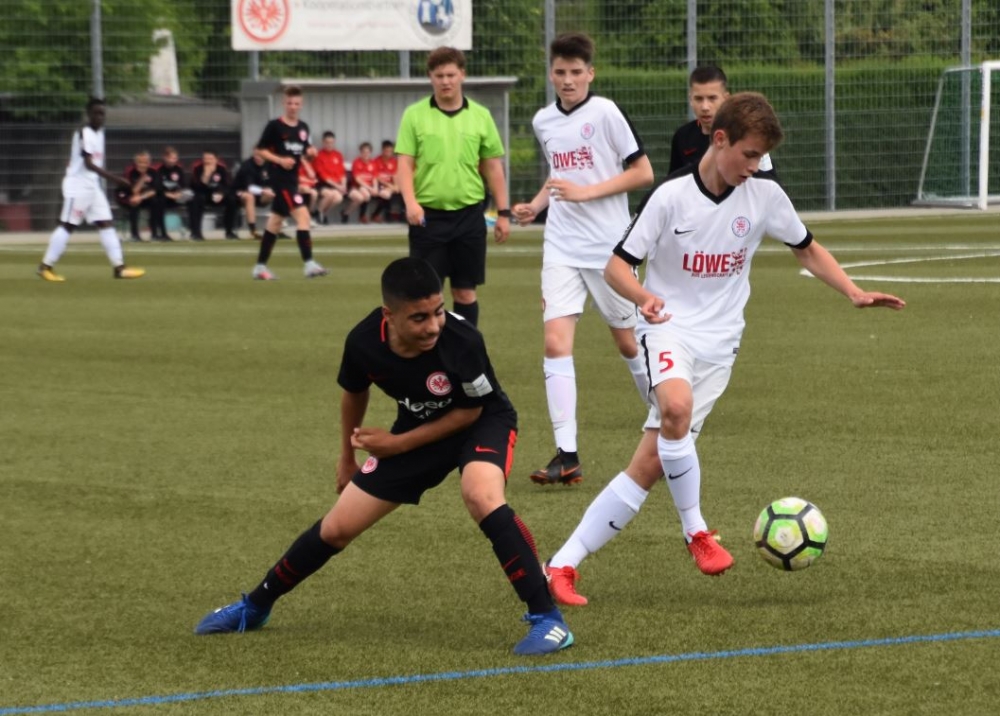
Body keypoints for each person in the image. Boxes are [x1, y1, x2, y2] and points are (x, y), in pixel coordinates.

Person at [543, 92, 906, 606]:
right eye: (749, 154)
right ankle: (696, 531)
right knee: (675, 407)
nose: (755, 166)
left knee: (647, 466)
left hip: (720, 345)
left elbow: (806, 249)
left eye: (762, 157)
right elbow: (616, 267)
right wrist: (644, 298)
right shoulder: (670, 197)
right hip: (668, 328)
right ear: (720, 140)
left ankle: (560, 565)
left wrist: (853, 291)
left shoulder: (765, 196)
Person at [193, 257, 574, 656]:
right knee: (337, 528)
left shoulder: (463, 339)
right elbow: (354, 393)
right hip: (417, 427)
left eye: (438, 311)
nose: (433, 326)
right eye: (419, 317)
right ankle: (255, 606)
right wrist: (346, 457)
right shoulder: (363, 342)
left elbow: (470, 411)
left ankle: (548, 619)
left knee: (481, 495)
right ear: (389, 315)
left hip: (481, 421)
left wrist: (397, 445)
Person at [512, 33, 655, 487]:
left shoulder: (606, 113)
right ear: (551, 74)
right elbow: (560, 174)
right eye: (560, 72)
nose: (568, 80)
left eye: (576, 72)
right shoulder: (543, 120)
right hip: (561, 245)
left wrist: (587, 193)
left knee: (628, 344)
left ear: (590, 73)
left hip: (608, 249)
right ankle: (567, 454)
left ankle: (667, 421)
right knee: (555, 343)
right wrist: (537, 206)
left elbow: (643, 172)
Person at [395, 46, 511, 327]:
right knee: (425, 295)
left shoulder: (480, 116)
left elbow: (493, 167)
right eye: (439, 76)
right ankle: (430, 348)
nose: (445, 81)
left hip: (469, 216)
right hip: (428, 218)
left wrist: (504, 213)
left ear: (462, 75)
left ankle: (464, 346)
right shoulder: (414, 115)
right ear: (430, 77)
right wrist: (410, 202)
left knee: (465, 292)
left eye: (450, 75)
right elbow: (404, 164)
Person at [37, 97, 144, 282]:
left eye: (102, 113)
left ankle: (119, 268)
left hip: (92, 186)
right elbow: (88, 164)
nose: (99, 117)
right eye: (96, 113)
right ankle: (45, 267)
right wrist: (116, 180)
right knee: (68, 225)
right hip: (78, 186)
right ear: (88, 114)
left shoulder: (99, 134)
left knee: (106, 223)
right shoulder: (84, 133)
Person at [252, 85, 329, 280]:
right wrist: (279, 160)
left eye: (296, 103)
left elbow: (305, 151)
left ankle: (260, 267)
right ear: (283, 103)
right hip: (279, 180)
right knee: (303, 217)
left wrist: (311, 153)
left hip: (293, 180)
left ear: (301, 105)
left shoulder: (303, 128)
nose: (293, 107)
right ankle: (309, 264)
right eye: (289, 103)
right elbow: (260, 150)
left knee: (275, 223)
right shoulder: (274, 126)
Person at [669, 65, 776, 179]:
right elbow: (673, 182)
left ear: (726, 98)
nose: (705, 107)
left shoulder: (748, 135)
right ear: (690, 99)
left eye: (712, 98)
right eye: (698, 99)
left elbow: (770, 182)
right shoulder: (682, 136)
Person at [188, 150, 239, 240]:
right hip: (204, 195)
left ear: (216, 160)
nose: (208, 161)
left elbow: (228, 185)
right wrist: (206, 175)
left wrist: (221, 194)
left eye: (210, 159)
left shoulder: (221, 169)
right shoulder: (198, 169)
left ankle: (229, 231)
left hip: (218, 195)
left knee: (232, 199)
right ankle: (196, 233)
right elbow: (195, 186)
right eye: (205, 159)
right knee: (195, 200)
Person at [312, 131, 357, 225]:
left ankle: (322, 214)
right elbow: (323, 176)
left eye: (331, 142)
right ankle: (318, 212)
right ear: (323, 142)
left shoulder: (338, 155)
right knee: (330, 194)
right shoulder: (318, 155)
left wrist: (343, 185)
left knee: (338, 198)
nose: (329, 145)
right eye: (327, 142)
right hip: (322, 184)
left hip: (336, 185)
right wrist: (338, 186)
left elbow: (342, 173)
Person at [233, 147, 275, 240]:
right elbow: (250, 188)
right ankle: (253, 230)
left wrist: (271, 190)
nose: (258, 157)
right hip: (240, 192)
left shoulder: (270, 165)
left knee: (278, 194)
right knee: (249, 197)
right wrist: (264, 191)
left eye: (260, 155)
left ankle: (277, 228)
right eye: (256, 155)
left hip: (260, 195)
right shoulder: (247, 166)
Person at [116, 150, 158, 242]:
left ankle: (154, 234)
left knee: (155, 202)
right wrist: (143, 178)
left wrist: (141, 197)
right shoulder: (130, 172)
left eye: (146, 162)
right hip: (126, 196)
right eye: (140, 162)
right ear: (136, 163)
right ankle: (135, 235)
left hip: (142, 197)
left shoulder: (153, 172)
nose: (143, 165)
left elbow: (154, 190)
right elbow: (134, 190)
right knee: (134, 203)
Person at [152, 146, 190, 241]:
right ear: (165, 158)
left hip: (177, 197)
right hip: (164, 197)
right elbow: (157, 187)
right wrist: (169, 194)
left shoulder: (178, 169)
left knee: (193, 198)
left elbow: (183, 185)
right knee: (157, 201)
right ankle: (162, 233)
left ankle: (195, 232)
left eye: (175, 158)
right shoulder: (158, 169)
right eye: (171, 158)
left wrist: (179, 193)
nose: (174, 160)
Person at [372, 139, 402, 222]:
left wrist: (396, 185)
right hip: (380, 184)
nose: (389, 153)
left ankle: (401, 214)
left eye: (391, 151)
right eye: (387, 151)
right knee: (385, 194)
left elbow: (394, 175)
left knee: (402, 191)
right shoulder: (376, 161)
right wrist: (389, 186)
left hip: (390, 185)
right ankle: (381, 214)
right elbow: (377, 177)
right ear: (383, 150)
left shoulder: (393, 161)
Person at [349, 141, 378, 224]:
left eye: (368, 152)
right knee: (366, 195)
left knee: (382, 195)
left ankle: (366, 215)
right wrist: (370, 188)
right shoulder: (356, 162)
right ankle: (361, 215)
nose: (366, 154)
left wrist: (375, 187)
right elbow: (357, 179)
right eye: (364, 152)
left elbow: (375, 177)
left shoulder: (373, 163)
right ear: (360, 152)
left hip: (369, 187)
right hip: (357, 187)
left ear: (370, 153)